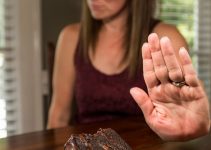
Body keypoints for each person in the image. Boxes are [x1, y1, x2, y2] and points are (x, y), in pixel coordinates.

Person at [47, 0, 210, 141]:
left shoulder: (165, 38)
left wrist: (197, 125)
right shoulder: (71, 37)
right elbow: (58, 117)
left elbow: (184, 110)